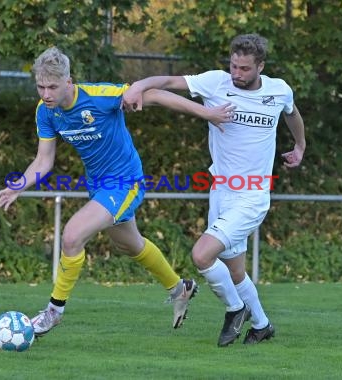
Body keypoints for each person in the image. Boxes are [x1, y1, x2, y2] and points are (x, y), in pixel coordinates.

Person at [0, 46, 234, 337]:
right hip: (98, 185)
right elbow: (44, 160)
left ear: (69, 82)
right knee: (130, 245)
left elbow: (155, 96)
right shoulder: (45, 112)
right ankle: (180, 288)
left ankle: (53, 312)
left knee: (72, 236)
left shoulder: (100, 97)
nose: (46, 93)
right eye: (41, 86)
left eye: (52, 87)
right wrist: (19, 185)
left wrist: (207, 113)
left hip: (125, 182)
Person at [123, 33, 306, 346]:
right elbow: (166, 82)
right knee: (236, 272)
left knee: (202, 254)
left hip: (252, 195)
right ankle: (262, 325)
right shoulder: (215, 82)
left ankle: (235, 309)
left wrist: (300, 144)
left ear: (260, 66)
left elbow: (291, 113)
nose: (237, 73)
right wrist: (138, 86)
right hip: (220, 191)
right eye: (234, 65)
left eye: (245, 68)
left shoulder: (279, 90)